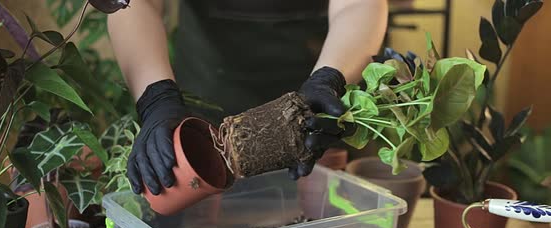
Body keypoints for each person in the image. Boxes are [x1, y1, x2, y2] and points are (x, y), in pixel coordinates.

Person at [107, 0, 388, 195]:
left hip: (325, 93)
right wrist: (156, 97)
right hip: (208, 98)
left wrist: (329, 80)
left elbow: (357, 5)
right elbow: (133, 3)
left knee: (329, 216)